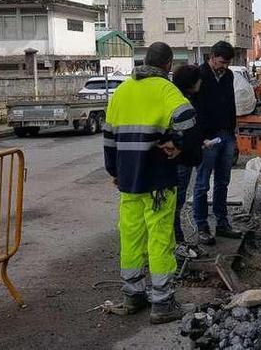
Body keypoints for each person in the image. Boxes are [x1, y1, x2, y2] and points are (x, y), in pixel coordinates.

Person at [103, 42, 200, 323]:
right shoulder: (166, 89)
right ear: (168, 64)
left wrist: (115, 170)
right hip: (158, 178)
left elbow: (109, 138)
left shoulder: (121, 91)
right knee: (160, 239)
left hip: (129, 179)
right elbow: (188, 120)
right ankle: (162, 303)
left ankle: (133, 295)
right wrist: (180, 146)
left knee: (130, 236)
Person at [192, 41, 241, 245]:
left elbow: (230, 104)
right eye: (221, 62)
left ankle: (222, 223)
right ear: (211, 57)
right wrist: (200, 137)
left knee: (223, 182)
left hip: (226, 134)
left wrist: (233, 133)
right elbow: (195, 108)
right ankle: (202, 225)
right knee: (202, 183)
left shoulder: (228, 76)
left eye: (227, 63)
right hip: (206, 138)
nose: (224, 66)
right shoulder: (199, 75)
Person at [170, 64, 204, 257]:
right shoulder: (181, 102)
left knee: (177, 202)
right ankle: (177, 241)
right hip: (180, 160)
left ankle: (177, 239)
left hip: (184, 157)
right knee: (176, 202)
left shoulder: (187, 98)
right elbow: (182, 134)